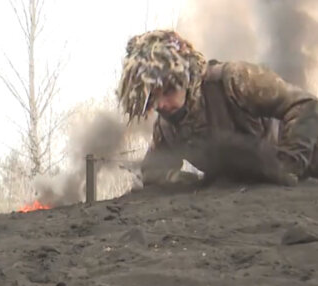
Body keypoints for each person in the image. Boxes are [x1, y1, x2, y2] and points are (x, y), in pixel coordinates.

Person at [116, 29, 318, 187]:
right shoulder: (166, 126)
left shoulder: (234, 80)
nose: (160, 104)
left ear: (185, 78)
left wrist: (287, 165)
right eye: (152, 98)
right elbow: (153, 170)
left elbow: (304, 105)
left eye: (168, 90)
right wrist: (180, 179)